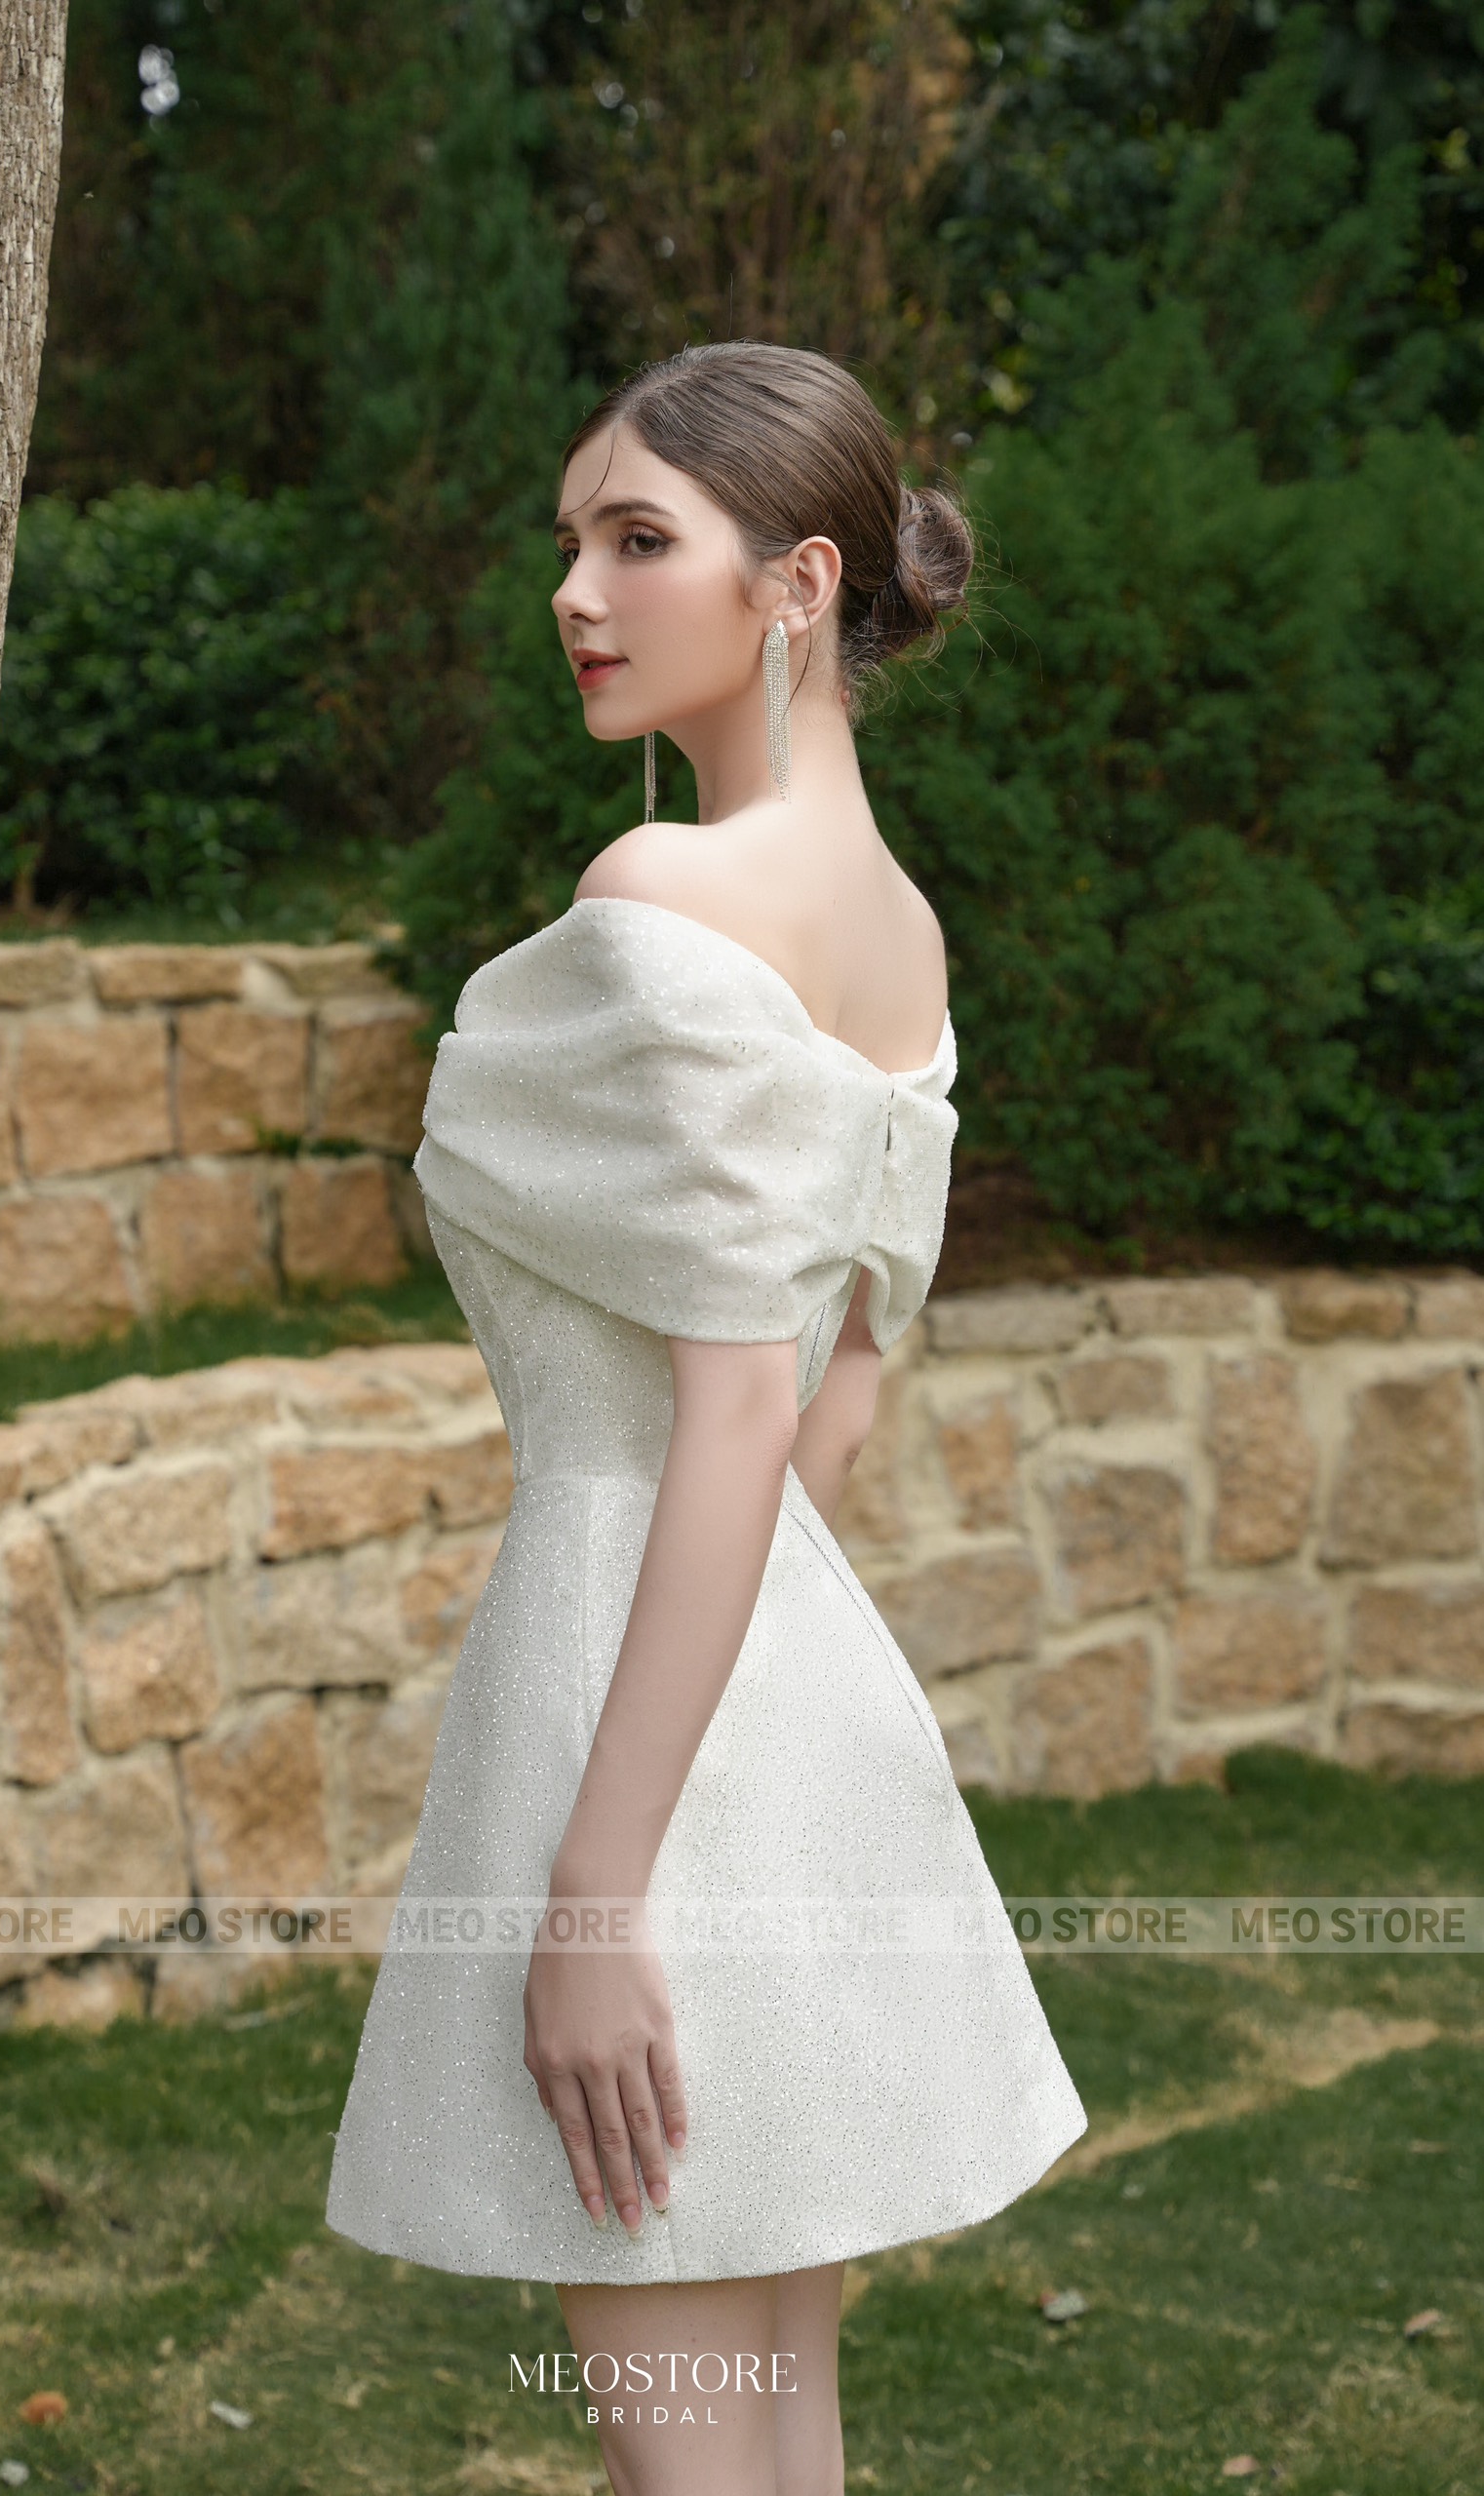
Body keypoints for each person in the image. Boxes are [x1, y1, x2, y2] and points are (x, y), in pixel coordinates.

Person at [326, 340, 1087, 2496]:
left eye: (637, 537)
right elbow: (841, 1389)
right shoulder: (901, 937)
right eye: (570, 539)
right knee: (774, 2431)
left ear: (796, 582)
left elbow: (741, 1405)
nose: (573, 590)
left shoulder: (658, 900)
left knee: (682, 2454)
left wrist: (595, 1883)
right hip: (788, 1698)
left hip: (617, 1708)